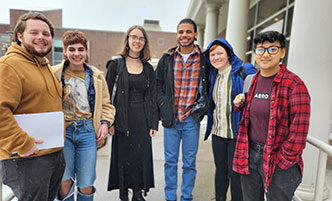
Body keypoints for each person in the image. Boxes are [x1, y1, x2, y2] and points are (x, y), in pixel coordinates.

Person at [232, 31, 311, 201]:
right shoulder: (253, 80)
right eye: (261, 50)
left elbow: (299, 131)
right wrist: (241, 106)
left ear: (282, 52)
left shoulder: (294, 84)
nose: (266, 54)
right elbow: (258, 114)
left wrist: (283, 162)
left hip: (278, 160)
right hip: (249, 155)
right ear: (255, 54)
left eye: (272, 49)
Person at [0, 12, 65, 201]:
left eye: (46, 34)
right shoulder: (9, 65)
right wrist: (22, 143)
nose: (41, 38)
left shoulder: (44, 66)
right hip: (25, 158)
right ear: (20, 36)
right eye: (34, 32)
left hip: (52, 155)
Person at [52, 30, 115, 201]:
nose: (76, 54)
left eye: (81, 49)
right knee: (64, 181)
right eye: (72, 49)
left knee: (86, 184)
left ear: (86, 52)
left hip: (88, 132)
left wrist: (104, 123)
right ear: (65, 51)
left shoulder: (97, 76)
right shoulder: (53, 74)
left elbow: (107, 105)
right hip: (63, 133)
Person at [155, 18, 208, 201]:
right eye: (181, 32)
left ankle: (186, 197)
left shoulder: (204, 59)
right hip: (171, 120)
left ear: (195, 34)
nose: (184, 35)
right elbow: (158, 85)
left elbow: (210, 84)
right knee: (170, 162)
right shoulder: (167, 58)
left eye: (188, 32)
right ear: (177, 35)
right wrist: (163, 106)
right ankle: (170, 197)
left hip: (191, 120)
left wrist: (201, 110)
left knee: (189, 163)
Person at [106, 25, 158, 201]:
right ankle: (123, 192)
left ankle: (137, 192)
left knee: (139, 156)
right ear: (127, 39)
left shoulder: (148, 68)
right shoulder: (116, 65)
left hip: (141, 118)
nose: (137, 41)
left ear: (145, 43)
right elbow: (107, 95)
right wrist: (109, 122)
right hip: (122, 117)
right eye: (134, 37)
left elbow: (152, 97)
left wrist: (153, 123)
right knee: (123, 155)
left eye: (141, 38)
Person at [204, 38, 257, 201]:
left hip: (237, 134)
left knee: (236, 173)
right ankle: (219, 198)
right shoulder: (213, 75)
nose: (216, 57)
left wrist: (246, 98)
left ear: (228, 54)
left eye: (220, 53)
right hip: (218, 133)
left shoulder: (244, 69)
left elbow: (261, 87)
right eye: (212, 54)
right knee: (220, 170)